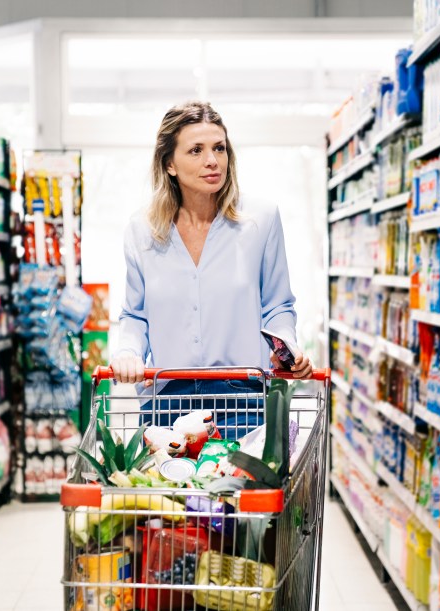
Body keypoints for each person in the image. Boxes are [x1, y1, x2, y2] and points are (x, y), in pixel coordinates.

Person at [111, 101, 312, 439]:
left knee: (239, 491)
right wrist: (128, 353)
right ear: (170, 164)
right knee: (174, 492)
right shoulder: (142, 230)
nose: (212, 160)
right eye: (196, 150)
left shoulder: (261, 220)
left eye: (219, 148)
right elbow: (135, 315)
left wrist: (286, 347)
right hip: (168, 402)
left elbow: (278, 305)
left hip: (244, 401)